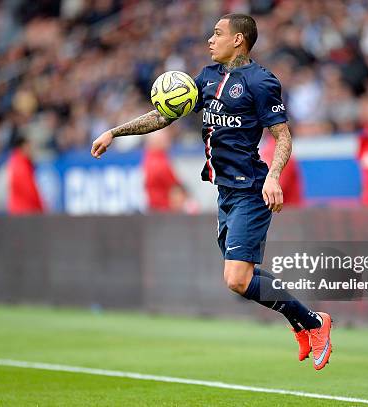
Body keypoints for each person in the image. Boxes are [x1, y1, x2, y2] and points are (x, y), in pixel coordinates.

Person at [92, 14, 332, 370]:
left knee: (236, 279)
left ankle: (314, 322)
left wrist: (274, 176)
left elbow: (283, 136)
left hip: (251, 188)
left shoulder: (261, 81)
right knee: (242, 278)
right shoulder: (205, 78)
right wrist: (115, 131)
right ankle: (302, 323)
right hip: (225, 193)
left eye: (218, 33)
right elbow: (162, 116)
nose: (210, 39)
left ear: (238, 40)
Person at [7, 135, 44, 215]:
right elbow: (30, 190)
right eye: (29, 147)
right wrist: (41, 208)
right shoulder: (21, 166)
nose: (32, 150)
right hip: (24, 212)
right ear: (23, 147)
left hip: (20, 211)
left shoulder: (17, 162)